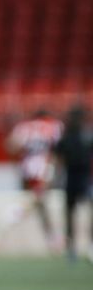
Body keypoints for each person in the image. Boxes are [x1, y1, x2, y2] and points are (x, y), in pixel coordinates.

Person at [2, 107, 63, 251]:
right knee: (40, 199)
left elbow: (10, 145)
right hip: (45, 167)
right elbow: (60, 148)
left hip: (28, 168)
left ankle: (49, 234)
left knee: (40, 201)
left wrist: (18, 161)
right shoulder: (54, 125)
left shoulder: (25, 127)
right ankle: (18, 212)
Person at [51, 105, 90, 262]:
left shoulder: (86, 137)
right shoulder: (67, 139)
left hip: (84, 179)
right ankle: (72, 246)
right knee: (70, 213)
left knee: (72, 213)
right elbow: (58, 160)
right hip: (74, 178)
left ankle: (87, 244)